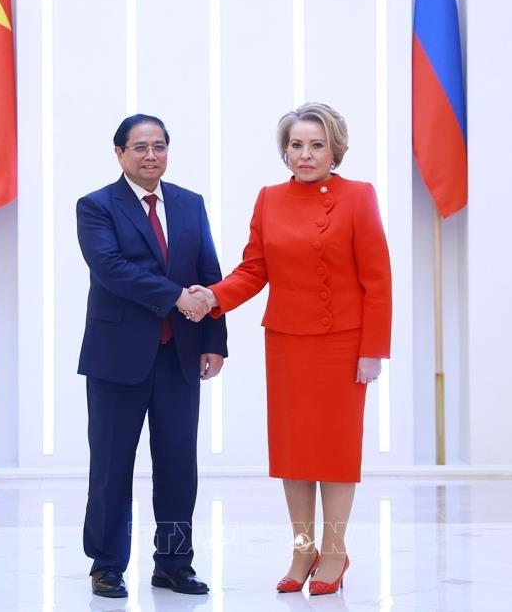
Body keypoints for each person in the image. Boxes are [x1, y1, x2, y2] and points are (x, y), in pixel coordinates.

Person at [187, 102, 391, 596]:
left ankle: (334, 551)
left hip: (343, 345)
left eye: (317, 145)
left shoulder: (359, 196)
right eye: (296, 145)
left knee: (336, 453)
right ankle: (303, 549)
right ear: (285, 151)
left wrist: (373, 349)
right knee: (294, 453)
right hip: (287, 343)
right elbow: (254, 269)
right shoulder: (269, 199)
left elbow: (378, 279)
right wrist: (213, 297)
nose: (306, 154)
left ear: (335, 149)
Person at [76, 114, 227, 599]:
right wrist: (176, 296)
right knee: (111, 466)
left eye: (159, 146)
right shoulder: (96, 206)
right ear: (119, 153)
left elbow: (208, 270)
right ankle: (106, 564)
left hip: (179, 356)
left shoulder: (189, 203)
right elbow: (112, 269)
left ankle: (174, 563)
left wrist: (213, 341)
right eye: (139, 147)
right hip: (117, 358)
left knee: (179, 466)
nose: (150, 155)